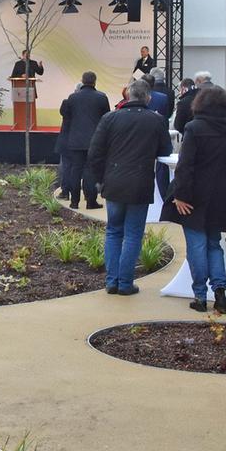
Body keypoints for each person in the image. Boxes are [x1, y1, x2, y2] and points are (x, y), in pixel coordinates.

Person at [163, 85, 226, 313]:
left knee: (196, 245)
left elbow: (185, 165)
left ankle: (199, 295)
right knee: (214, 244)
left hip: (195, 196)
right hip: (222, 194)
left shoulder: (194, 128)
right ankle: (220, 291)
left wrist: (180, 195)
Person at [88, 78, 171, 296]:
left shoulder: (110, 118)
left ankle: (112, 281)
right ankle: (125, 283)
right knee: (133, 234)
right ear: (148, 98)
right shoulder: (156, 121)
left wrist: (100, 179)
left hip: (113, 182)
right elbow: (165, 150)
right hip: (140, 182)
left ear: (127, 95)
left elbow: (95, 153)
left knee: (114, 231)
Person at [56, 72, 109, 208]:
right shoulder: (102, 98)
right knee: (90, 171)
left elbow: (67, 117)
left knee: (75, 170)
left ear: (82, 81)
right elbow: (106, 119)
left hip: (75, 141)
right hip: (94, 141)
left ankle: (74, 202)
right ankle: (91, 202)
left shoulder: (72, 98)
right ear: (95, 82)